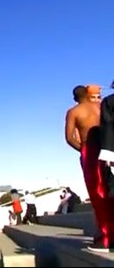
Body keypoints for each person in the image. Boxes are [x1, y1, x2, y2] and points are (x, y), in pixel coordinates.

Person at [64, 84, 113, 252]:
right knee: (109, 191)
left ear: (75, 98)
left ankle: (106, 238)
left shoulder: (74, 112)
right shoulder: (103, 105)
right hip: (108, 149)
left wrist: (83, 150)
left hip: (91, 151)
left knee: (97, 196)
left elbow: (69, 138)